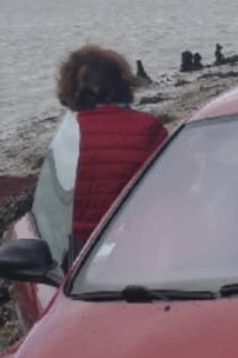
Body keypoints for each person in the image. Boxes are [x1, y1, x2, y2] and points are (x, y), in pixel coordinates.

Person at [56, 44, 168, 260]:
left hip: (79, 253)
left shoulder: (65, 136)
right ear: (122, 83)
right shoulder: (147, 127)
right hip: (137, 244)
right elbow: (176, 186)